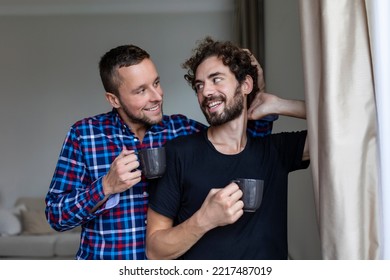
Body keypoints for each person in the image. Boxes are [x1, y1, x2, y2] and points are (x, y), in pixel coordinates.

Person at [45, 44, 276, 260]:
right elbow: (56, 216)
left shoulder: (182, 130)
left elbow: (244, 147)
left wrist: (257, 89)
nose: (157, 96)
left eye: (156, 83)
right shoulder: (84, 135)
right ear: (114, 99)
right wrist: (105, 186)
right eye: (141, 91)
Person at [146, 37, 309, 260]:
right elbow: (155, 251)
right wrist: (204, 219)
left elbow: (349, 127)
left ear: (246, 85)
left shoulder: (276, 151)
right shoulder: (179, 153)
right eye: (199, 86)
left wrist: (280, 105)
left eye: (216, 79)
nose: (206, 92)